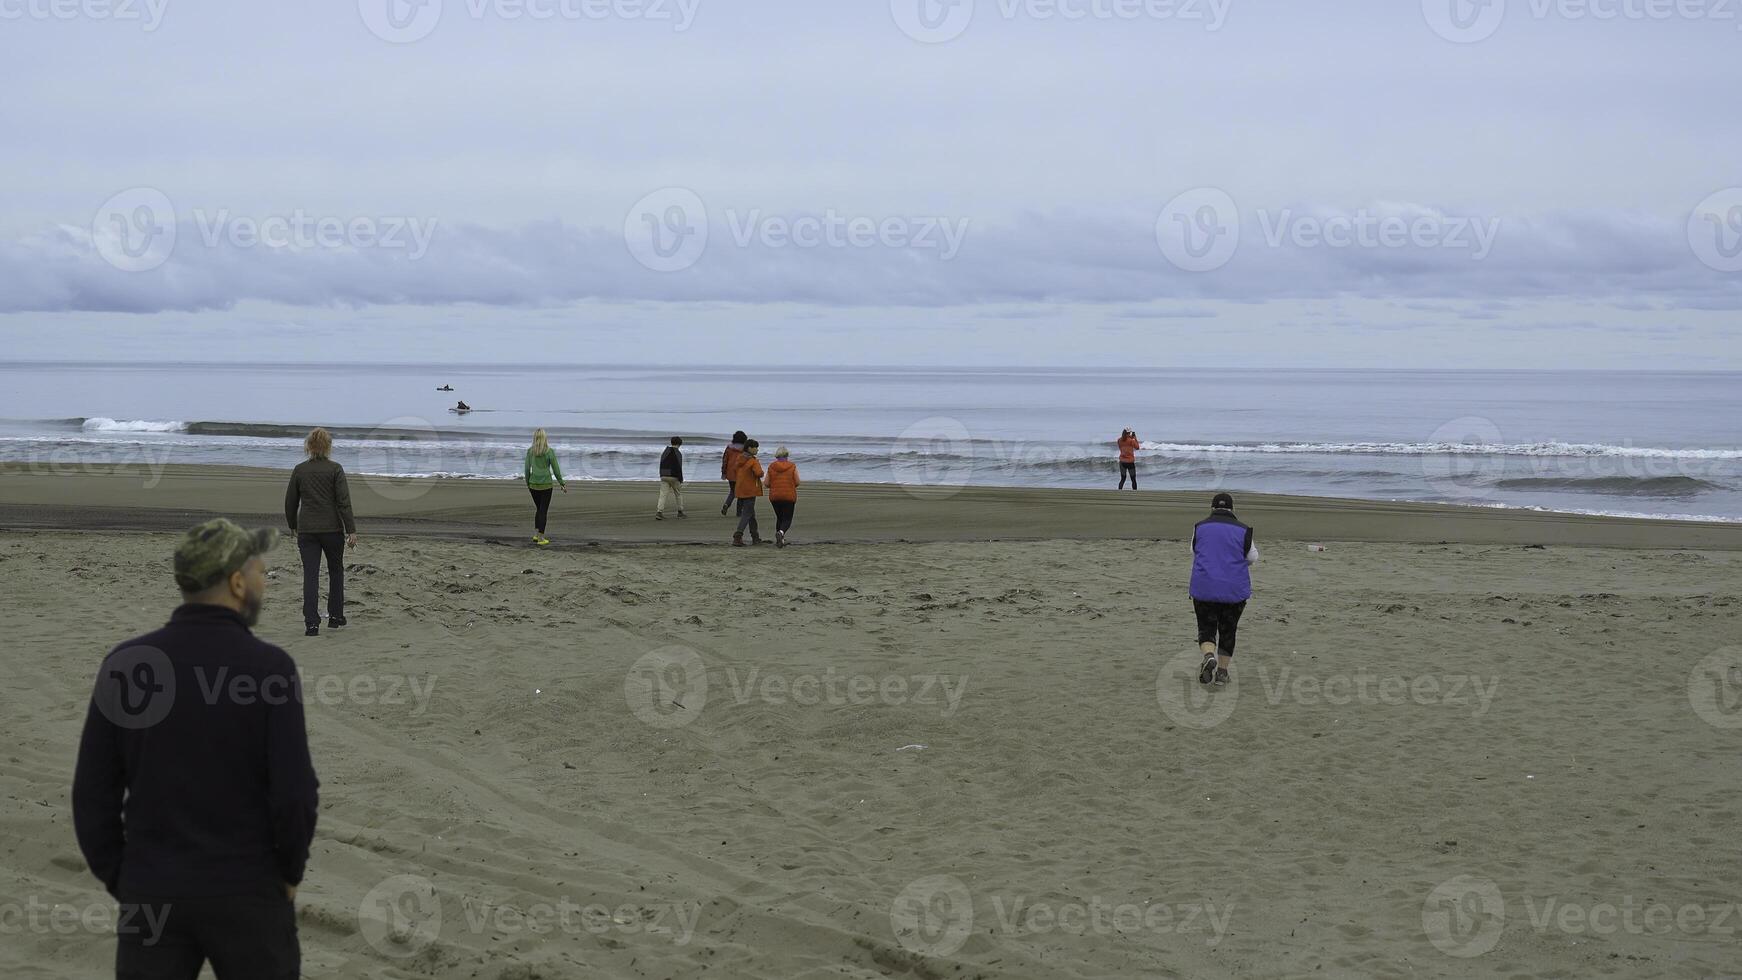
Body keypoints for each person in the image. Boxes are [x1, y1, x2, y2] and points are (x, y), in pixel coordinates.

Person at [73, 518, 320, 980]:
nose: (264, 581)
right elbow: (295, 794)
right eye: (260, 571)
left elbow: (91, 796)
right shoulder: (270, 669)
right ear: (236, 582)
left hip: (153, 890)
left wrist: (126, 880)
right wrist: (289, 873)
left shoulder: (127, 665)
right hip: (248, 889)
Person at [285, 427, 357, 637]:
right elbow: (343, 502)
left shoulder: (300, 470)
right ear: (328, 447)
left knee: (311, 575)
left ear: (308, 446)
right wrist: (351, 530)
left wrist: (293, 525)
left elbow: (290, 502)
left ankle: (311, 623)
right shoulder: (335, 469)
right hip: (332, 530)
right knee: (335, 571)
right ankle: (335, 617)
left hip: (307, 530)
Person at [1190, 492, 1257, 687]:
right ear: (1232, 509)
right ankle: (1222, 673)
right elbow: (1252, 557)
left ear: (1212, 508)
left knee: (1206, 628)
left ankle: (1209, 655)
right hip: (1233, 590)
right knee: (1228, 630)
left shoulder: (1200, 527)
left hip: (1204, 587)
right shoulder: (1244, 530)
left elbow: (1194, 551)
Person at [524, 429, 567, 546]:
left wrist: (528, 483)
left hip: (533, 485)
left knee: (539, 509)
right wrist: (562, 483)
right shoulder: (549, 452)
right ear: (545, 438)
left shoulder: (530, 451)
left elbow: (527, 470)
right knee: (543, 511)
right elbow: (556, 469)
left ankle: (536, 534)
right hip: (546, 485)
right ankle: (541, 538)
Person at [765, 446, 800, 548]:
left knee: (779, 518)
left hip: (775, 496)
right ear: (787, 455)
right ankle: (780, 533)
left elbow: (766, 483)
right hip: (789, 496)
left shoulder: (771, 466)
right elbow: (797, 482)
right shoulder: (792, 466)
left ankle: (780, 540)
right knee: (787, 519)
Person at [732, 439, 764, 546]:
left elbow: (735, 470)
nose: (757, 449)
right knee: (747, 514)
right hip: (750, 489)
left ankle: (755, 536)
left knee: (751, 514)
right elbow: (759, 473)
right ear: (750, 448)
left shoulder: (739, 459)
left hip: (741, 488)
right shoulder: (753, 461)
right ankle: (738, 535)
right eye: (756, 447)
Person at [656, 436, 686, 520]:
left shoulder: (665, 452)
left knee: (663, 494)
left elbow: (661, 464)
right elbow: (679, 467)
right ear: (679, 444)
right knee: (678, 494)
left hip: (664, 475)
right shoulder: (678, 453)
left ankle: (659, 512)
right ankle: (680, 512)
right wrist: (681, 479)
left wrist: (661, 475)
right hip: (674, 476)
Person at [719, 430, 747, 516]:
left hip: (730, 473)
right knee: (741, 493)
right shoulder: (745, 449)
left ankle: (727, 504)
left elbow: (725, 460)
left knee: (732, 491)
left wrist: (723, 472)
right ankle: (739, 512)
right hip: (741, 473)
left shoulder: (729, 448)